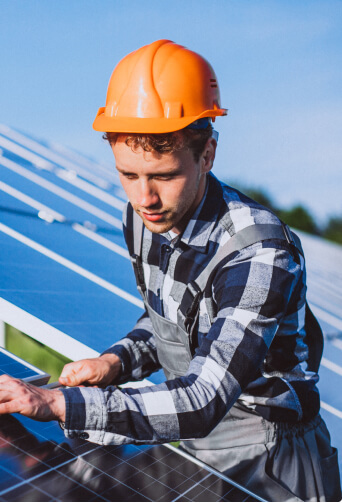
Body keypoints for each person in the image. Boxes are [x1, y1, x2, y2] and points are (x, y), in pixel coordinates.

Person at [0, 40, 340, 501]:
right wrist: (115, 361)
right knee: (55, 486)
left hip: (271, 460)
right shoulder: (143, 219)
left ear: (207, 155)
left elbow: (203, 399)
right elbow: (171, 321)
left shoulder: (259, 251)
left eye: (162, 175)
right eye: (129, 175)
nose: (145, 199)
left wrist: (56, 401)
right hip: (198, 441)